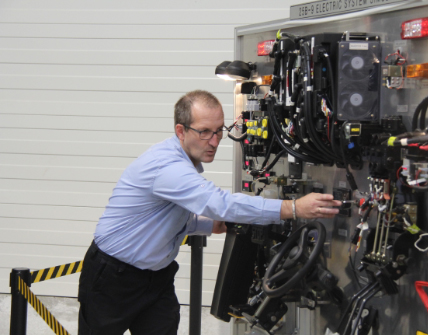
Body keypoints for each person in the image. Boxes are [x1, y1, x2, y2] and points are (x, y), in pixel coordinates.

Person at [78, 90, 342, 335]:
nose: (214, 141)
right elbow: (219, 203)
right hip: (113, 278)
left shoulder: (183, 161)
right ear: (180, 130)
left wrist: (208, 226)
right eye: (204, 132)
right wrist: (292, 208)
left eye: (219, 131)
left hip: (156, 278)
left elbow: (164, 216)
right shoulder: (167, 166)